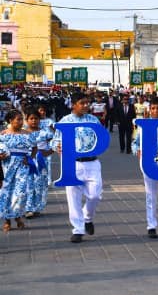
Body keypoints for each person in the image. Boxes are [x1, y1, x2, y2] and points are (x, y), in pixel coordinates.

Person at [52, 96, 103, 243]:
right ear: (74, 105)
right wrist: (58, 147)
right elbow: (55, 141)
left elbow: (101, 138)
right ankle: (78, 230)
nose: (86, 105)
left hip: (92, 163)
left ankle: (88, 218)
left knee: (94, 195)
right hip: (72, 163)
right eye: (82, 103)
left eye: (87, 102)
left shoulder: (94, 120)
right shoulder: (65, 121)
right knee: (73, 197)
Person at [131, 98, 158, 240]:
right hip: (148, 162)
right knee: (151, 194)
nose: (156, 111)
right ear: (149, 110)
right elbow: (135, 143)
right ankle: (151, 225)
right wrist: (137, 150)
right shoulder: (142, 127)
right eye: (153, 108)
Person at [0, 110, 36, 231]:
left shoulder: (27, 134)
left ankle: (18, 216)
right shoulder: (3, 135)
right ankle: (7, 220)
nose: (21, 122)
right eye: (18, 119)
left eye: (22, 119)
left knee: (20, 193)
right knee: (6, 193)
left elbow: (34, 147)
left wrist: (30, 157)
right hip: (7, 167)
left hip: (22, 166)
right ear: (10, 121)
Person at [24, 109, 53, 219]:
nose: (34, 121)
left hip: (41, 160)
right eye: (31, 119)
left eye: (36, 118)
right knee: (28, 184)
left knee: (40, 184)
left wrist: (49, 151)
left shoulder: (45, 132)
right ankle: (28, 208)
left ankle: (37, 207)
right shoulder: (23, 133)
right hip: (27, 160)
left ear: (39, 120)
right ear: (26, 120)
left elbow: (55, 143)